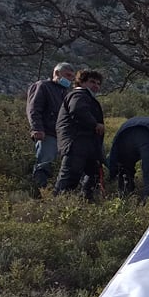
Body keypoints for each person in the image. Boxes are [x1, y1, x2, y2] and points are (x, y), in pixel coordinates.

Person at [54, 70, 106, 200]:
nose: (96, 86)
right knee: (69, 179)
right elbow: (77, 110)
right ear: (81, 82)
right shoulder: (79, 95)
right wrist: (95, 124)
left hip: (86, 145)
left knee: (92, 176)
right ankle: (57, 207)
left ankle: (85, 203)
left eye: (98, 83)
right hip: (76, 144)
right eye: (92, 82)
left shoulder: (86, 97)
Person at [26, 62, 75, 191]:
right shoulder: (42, 86)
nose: (70, 79)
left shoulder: (65, 92)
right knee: (44, 163)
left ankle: (52, 194)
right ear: (57, 73)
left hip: (61, 136)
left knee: (58, 167)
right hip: (47, 133)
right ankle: (38, 192)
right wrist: (36, 128)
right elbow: (34, 109)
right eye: (67, 75)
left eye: (71, 77)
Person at [106, 117, 149, 202]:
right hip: (148, 135)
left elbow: (115, 155)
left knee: (124, 170)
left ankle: (124, 198)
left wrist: (112, 173)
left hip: (125, 133)